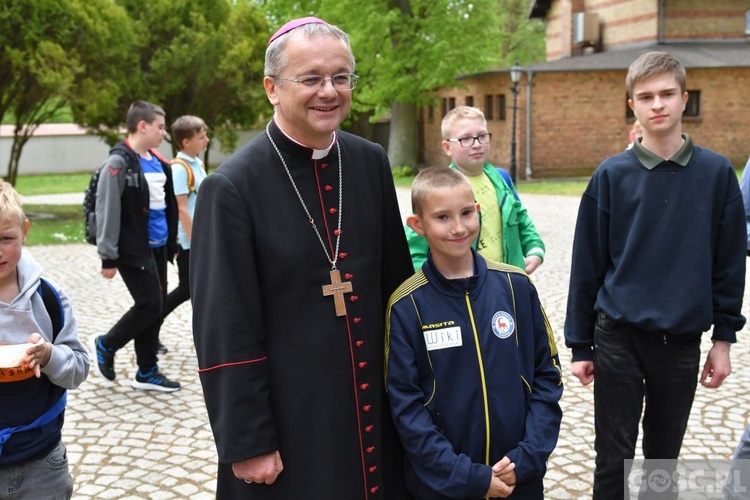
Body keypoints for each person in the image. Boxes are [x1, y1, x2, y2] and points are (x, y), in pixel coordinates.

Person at [189, 17, 414, 499]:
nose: (329, 91)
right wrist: (248, 440)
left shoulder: (369, 161)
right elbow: (224, 326)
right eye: (310, 78)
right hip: (293, 418)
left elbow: (399, 286)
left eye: (341, 77)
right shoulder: (230, 188)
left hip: (376, 408)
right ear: (272, 88)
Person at [564, 51, 746, 499]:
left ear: (685, 99)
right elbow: (587, 265)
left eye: (667, 94)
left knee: (664, 460)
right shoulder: (611, 175)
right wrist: (580, 344)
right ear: (632, 105)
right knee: (613, 458)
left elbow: (729, 265)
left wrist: (722, 340)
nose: (657, 104)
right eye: (645, 97)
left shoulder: (716, 174)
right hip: (618, 337)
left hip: (680, 341)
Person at [385, 167, 563, 499]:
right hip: (446, 486)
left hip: (518, 479)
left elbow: (546, 375)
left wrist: (527, 458)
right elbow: (405, 406)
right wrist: (465, 476)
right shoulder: (407, 305)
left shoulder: (516, 286)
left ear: (478, 211)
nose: (458, 227)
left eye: (467, 213)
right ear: (417, 225)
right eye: (442, 217)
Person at [0, 181, 89, 499]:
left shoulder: (49, 298)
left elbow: (78, 368)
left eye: (6, 239)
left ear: (24, 231)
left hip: (41, 462)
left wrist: (50, 355)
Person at [90, 100, 181, 392]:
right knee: (151, 304)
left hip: (158, 248)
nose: (164, 133)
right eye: (160, 127)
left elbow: (165, 206)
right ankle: (107, 344)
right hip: (133, 250)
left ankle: (146, 370)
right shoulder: (118, 163)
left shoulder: (156, 160)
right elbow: (106, 210)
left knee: (155, 306)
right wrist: (108, 256)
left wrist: (172, 243)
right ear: (143, 126)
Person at [404, 106, 545, 274]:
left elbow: (520, 215)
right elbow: (413, 250)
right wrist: (436, 285)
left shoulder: (501, 178)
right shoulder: (439, 189)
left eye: (482, 136)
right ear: (447, 147)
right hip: (467, 289)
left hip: (510, 281)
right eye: (466, 139)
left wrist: (535, 248)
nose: (477, 144)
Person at [160, 115, 209, 323]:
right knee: (186, 289)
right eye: (201, 137)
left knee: (192, 289)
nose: (206, 140)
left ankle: (150, 329)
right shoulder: (179, 168)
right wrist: (195, 242)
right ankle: (149, 323)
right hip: (188, 241)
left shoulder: (197, 163)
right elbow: (182, 210)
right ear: (186, 142)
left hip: (198, 237)